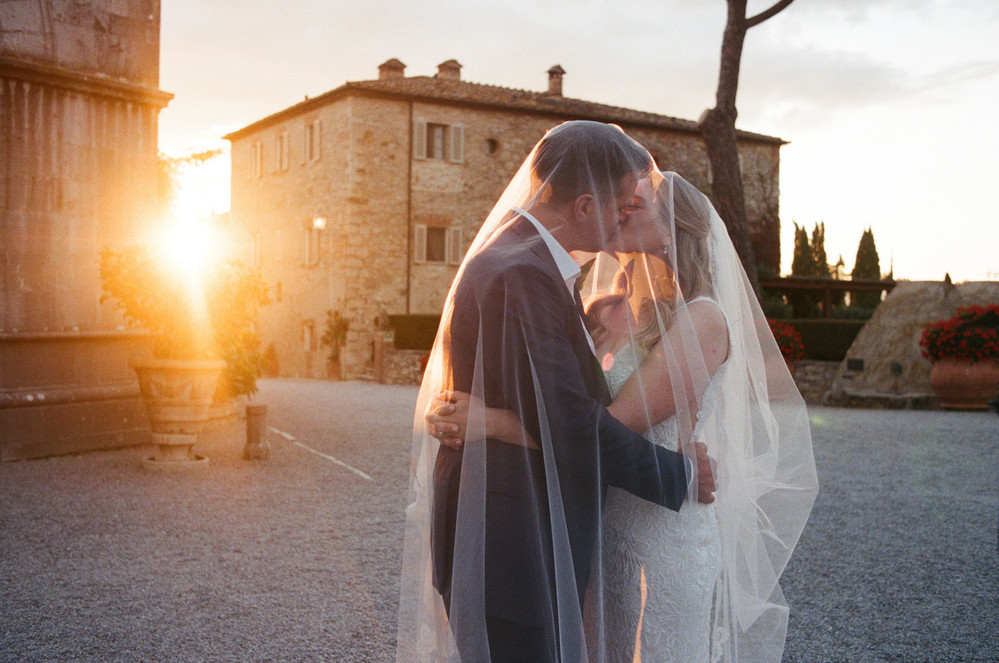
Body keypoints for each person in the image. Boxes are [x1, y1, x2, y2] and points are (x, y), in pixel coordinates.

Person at [427, 171, 818, 661]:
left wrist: (488, 422)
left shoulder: (700, 319)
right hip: (601, 522)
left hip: (663, 531)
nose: (618, 211)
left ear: (673, 229)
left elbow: (606, 424)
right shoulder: (596, 308)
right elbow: (561, 405)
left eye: (634, 205)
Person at [395, 122, 716, 663]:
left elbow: (554, 406)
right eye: (621, 205)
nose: (623, 218)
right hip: (512, 544)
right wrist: (680, 476)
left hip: (526, 537)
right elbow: (571, 424)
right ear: (585, 206)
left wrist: (491, 420)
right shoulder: (521, 273)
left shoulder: (526, 261)